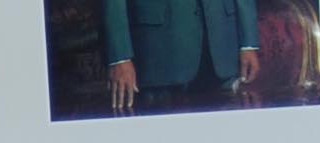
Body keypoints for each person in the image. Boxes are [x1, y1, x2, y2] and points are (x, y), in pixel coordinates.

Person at [106, 0, 259, 113]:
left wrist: (248, 43)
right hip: (159, 52)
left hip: (221, 47)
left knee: (224, 141)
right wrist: (120, 56)